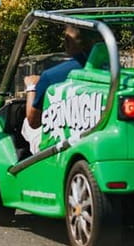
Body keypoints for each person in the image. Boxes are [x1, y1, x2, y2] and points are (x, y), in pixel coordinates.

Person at [21, 25, 95, 154]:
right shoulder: (113, 71)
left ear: (67, 42)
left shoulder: (50, 76)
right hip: (96, 137)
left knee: (26, 124)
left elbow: (33, 121)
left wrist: (31, 87)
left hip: (61, 144)